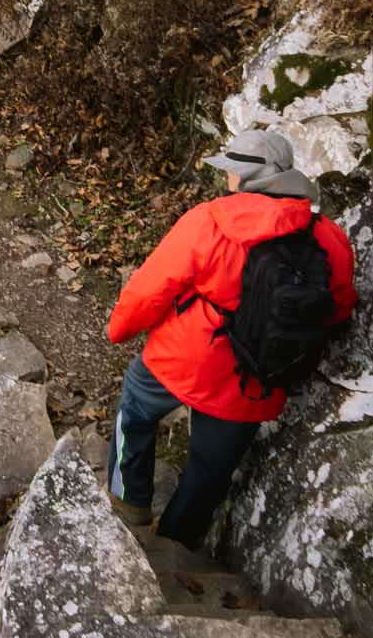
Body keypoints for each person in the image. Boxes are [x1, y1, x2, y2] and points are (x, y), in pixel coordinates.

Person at [105, 126, 355, 548]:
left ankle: (129, 505)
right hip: (258, 373)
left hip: (186, 356)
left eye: (230, 171)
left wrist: (120, 329)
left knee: (134, 409)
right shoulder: (328, 237)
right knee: (211, 469)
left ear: (243, 177)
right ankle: (176, 545)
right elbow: (339, 305)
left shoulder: (211, 220)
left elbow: (153, 286)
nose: (226, 179)